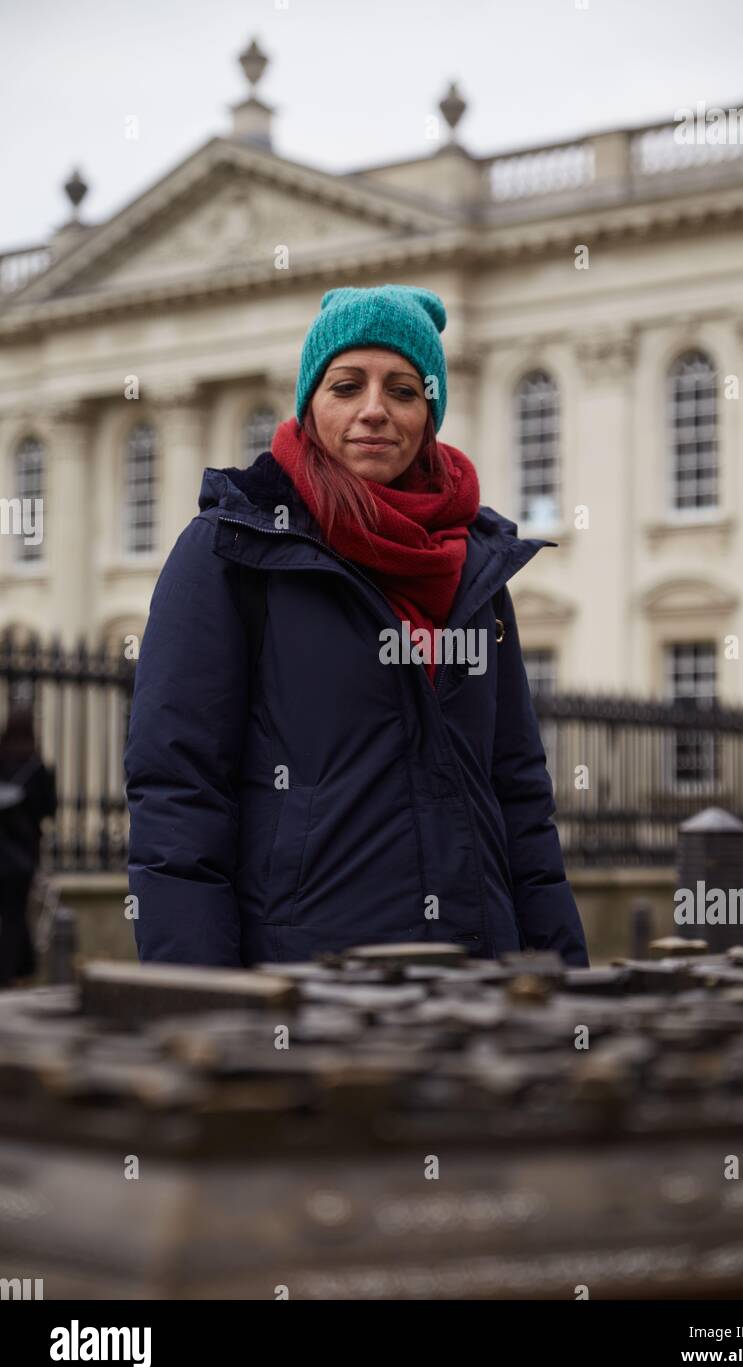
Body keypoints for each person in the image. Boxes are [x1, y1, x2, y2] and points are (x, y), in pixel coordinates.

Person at [124, 284, 588, 968]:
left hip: (481, 980)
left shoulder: (476, 569)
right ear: (312, 403)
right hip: (311, 983)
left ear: (428, 412)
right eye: (347, 385)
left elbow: (518, 797)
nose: (375, 410)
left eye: (402, 389)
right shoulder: (232, 550)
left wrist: (562, 980)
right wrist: (199, 997)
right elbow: (179, 793)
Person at [0, 704, 57, 985]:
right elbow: (49, 809)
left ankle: (18, 969)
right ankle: (13, 971)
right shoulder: (36, 768)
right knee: (16, 913)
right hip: (23, 856)